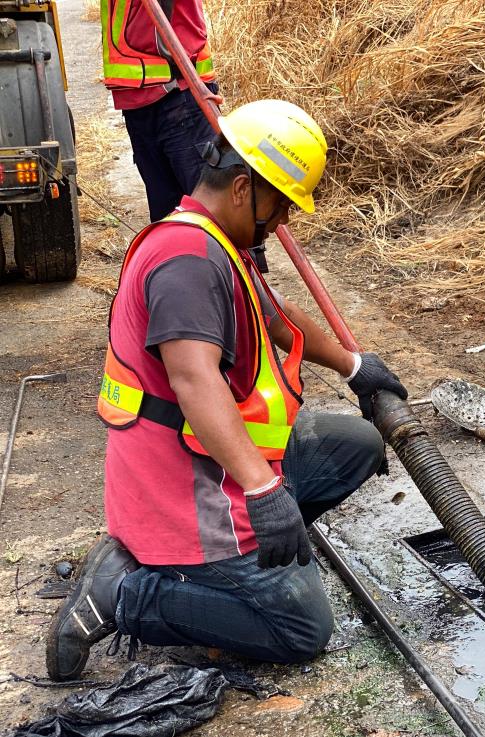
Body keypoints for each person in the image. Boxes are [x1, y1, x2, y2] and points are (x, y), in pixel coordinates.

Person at [45, 99, 408, 681]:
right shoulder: (186, 259)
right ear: (244, 188)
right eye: (282, 204)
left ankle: (254, 562)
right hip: (187, 491)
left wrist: (354, 365)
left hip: (212, 462)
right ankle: (126, 595)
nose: (284, 220)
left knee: (356, 443)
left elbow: (274, 315)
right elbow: (193, 379)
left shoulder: (215, 242)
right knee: (303, 629)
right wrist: (264, 491)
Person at [101, 0, 221, 221]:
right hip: (138, 99)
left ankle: (233, 257)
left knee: (212, 210)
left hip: (178, 90)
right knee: (167, 216)